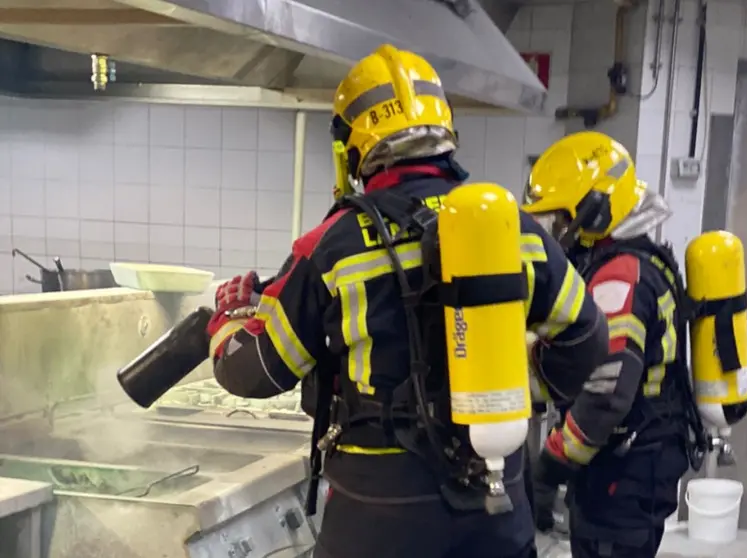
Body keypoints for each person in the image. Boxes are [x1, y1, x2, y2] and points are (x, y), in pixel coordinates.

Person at [205, 44, 608, 558]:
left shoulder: (331, 247)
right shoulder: (512, 228)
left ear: (352, 148)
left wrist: (225, 319)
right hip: (495, 500)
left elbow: (257, 370)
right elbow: (589, 336)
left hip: (379, 511)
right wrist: (520, 380)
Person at [523, 131, 700, 558]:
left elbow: (606, 392)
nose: (559, 233)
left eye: (563, 220)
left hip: (627, 468)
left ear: (596, 211)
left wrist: (551, 464)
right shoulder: (630, 261)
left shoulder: (620, 275)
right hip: (633, 461)